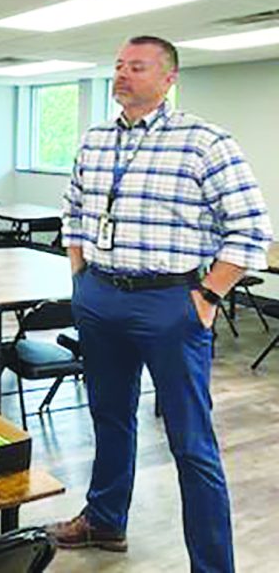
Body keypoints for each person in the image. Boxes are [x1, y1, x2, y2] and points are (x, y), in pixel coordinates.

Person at [48, 35, 272, 572]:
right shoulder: (97, 139)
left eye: (138, 67)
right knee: (109, 416)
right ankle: (105, 520)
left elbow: (250, 231)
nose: (123, 74)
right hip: (101, 295)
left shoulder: (204, 141)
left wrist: (210, 294)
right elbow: (74, 209)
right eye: (119, 65)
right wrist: (80, 275)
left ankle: (213, 565)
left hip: (171, 301)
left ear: (169, 78)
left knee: (191, 442)